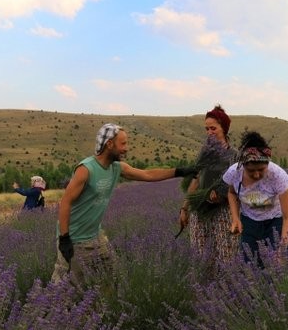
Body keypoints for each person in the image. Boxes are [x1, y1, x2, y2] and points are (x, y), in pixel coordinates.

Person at [52, 123, 197, 287]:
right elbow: (65, 202)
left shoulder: (116, 168)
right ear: (109, 144)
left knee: (113, 278)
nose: (126, 148)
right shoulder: (87, 169)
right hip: (75, 239)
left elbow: (147, 174)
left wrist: (181, 171)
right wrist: (64, 239)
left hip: (96, 236)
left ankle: (102, 311)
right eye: (123, 144)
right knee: (64, 289)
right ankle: (39, 312)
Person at [222, 131, 288, 267]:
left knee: (277, 267)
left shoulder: (278, 176)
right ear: (243, 165)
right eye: (251, 171)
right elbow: (231, 193)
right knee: (251, 264)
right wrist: (236, 218)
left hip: (275, 221)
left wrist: (282, 249)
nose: (256, 174)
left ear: (268, 163)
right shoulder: (234, 172)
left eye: (261, 169)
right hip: (249, 222)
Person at [178, 105, 239, 266]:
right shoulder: (205, 152)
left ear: (224, 128)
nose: (209, 132)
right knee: (201, 260)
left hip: (224, 212)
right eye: (206, 129)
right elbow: (196, 179)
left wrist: (221, 194)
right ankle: (204, 291)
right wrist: (185, 208)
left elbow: (237, 184)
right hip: (200, 211)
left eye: (213, 128)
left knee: (226, 258)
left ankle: (227, 291)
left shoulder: (234, 155)